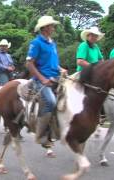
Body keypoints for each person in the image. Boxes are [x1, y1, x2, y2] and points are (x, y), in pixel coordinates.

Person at [26, 15, 67, 147]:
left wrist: (61, 69)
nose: (54, 28)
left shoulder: (52, 43)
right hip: (41, 79)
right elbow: (29, 64)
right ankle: (40, 135)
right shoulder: (36, 43)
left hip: (56, 78)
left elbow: (53, 62)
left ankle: (57, 130)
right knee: (51, 101)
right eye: (51, 26)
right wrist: (42, 79)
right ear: (44, 28)